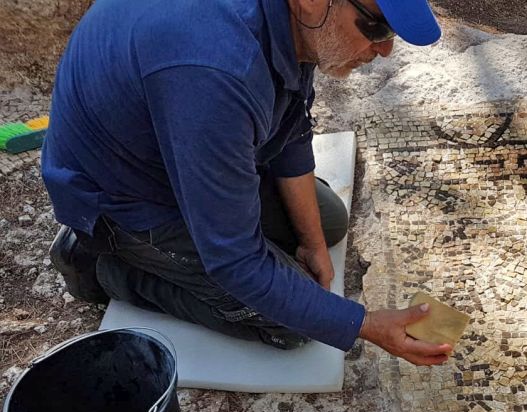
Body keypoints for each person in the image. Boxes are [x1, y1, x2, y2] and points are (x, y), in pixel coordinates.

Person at [43, 0, 451, 366]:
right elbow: (234, 259)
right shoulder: (214, 70)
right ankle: (107, 268)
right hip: (125, 199)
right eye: (377, 29)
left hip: (181, 149)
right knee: (294, 327)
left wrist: (310, 242)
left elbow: (290, 128)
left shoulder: (297, 22)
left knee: (327, 223)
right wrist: (362, 324)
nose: (384, 51)